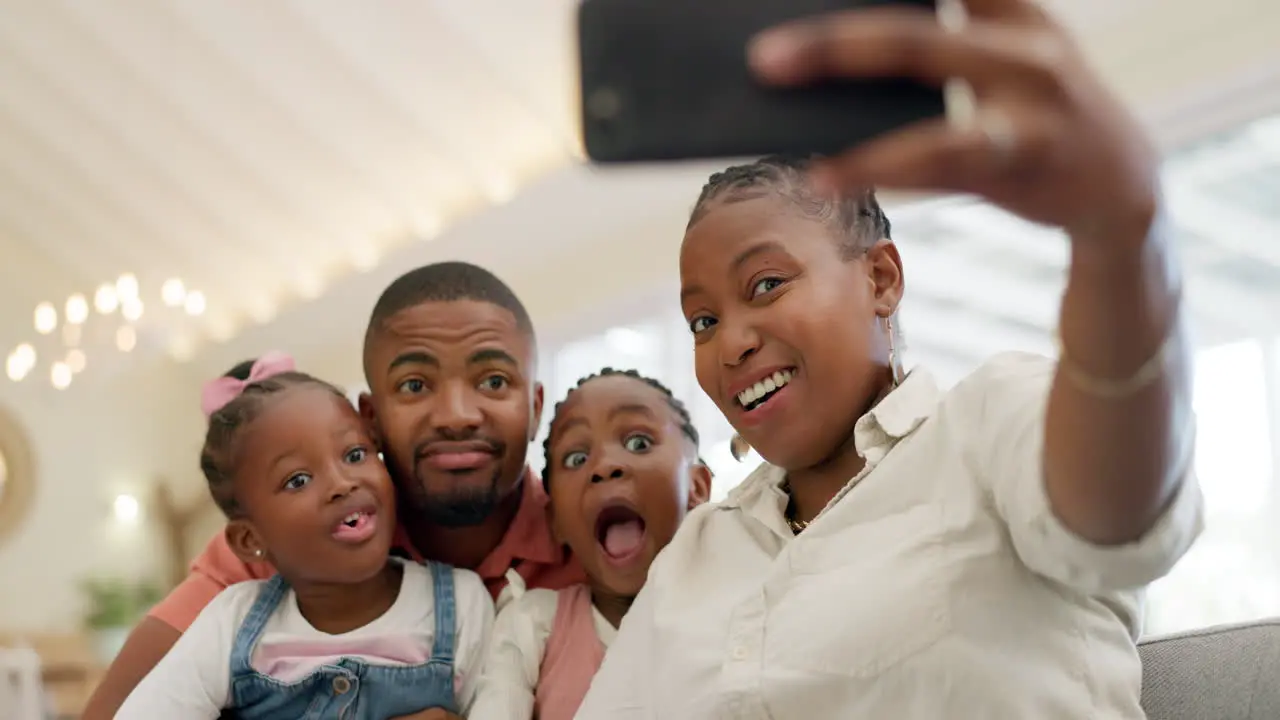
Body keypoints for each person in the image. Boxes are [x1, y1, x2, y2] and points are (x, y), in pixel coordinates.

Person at [576, 2, 1202, 718]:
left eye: (767, 285)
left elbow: (1118, 518)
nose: (731, 342)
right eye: (703, 320)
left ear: (880, 280)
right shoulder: (693, 560)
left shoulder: (988, 423)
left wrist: (1122, 237)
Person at [84, 263, 585, 720]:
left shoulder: (590, 546)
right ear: (370, 418)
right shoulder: (285, 544)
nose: (456, 414)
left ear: (536, 406)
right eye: (414, 385)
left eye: (494, 380)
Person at [115, 355, 494, 719]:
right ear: (249, 540)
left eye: (355, 454)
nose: (342, 484)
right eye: (298, 480)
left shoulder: (460, 604)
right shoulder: (234, 622)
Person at [469, 369, 711, 720]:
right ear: (556, 523)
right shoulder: (534, 624)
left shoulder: (741, 609)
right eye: (576, 459)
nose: (605, 465)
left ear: (697, 487)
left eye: (638, 443)